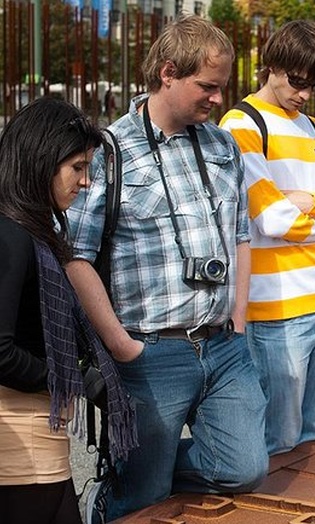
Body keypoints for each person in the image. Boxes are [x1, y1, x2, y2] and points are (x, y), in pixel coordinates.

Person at [66, 16, 269, 521]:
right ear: (168, 72)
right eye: (207, 87)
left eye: (221, 88)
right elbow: (75, 255)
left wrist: (239, 320)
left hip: (224, 345)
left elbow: (242, 236)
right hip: (150, 351)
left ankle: (131, 468)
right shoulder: (109, 152)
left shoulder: (223, 145)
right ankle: (119, 489)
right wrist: (121, 345)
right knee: (145, 497)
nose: (218, 100)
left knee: (245, 469)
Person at [219, 20, 315, 456]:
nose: (304, 94)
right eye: (298, 81)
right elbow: (270, 219)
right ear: (272, 65)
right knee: (278, 442)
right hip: (276, 309)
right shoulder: (241, 125)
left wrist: (314, 203)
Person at [0, 98, 136, 524]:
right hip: (19, 443)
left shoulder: (33, 232)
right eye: (77, 167)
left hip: (41, 436)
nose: (86, 181)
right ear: (42, 162)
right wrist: (67, 380)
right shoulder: (13, 236)